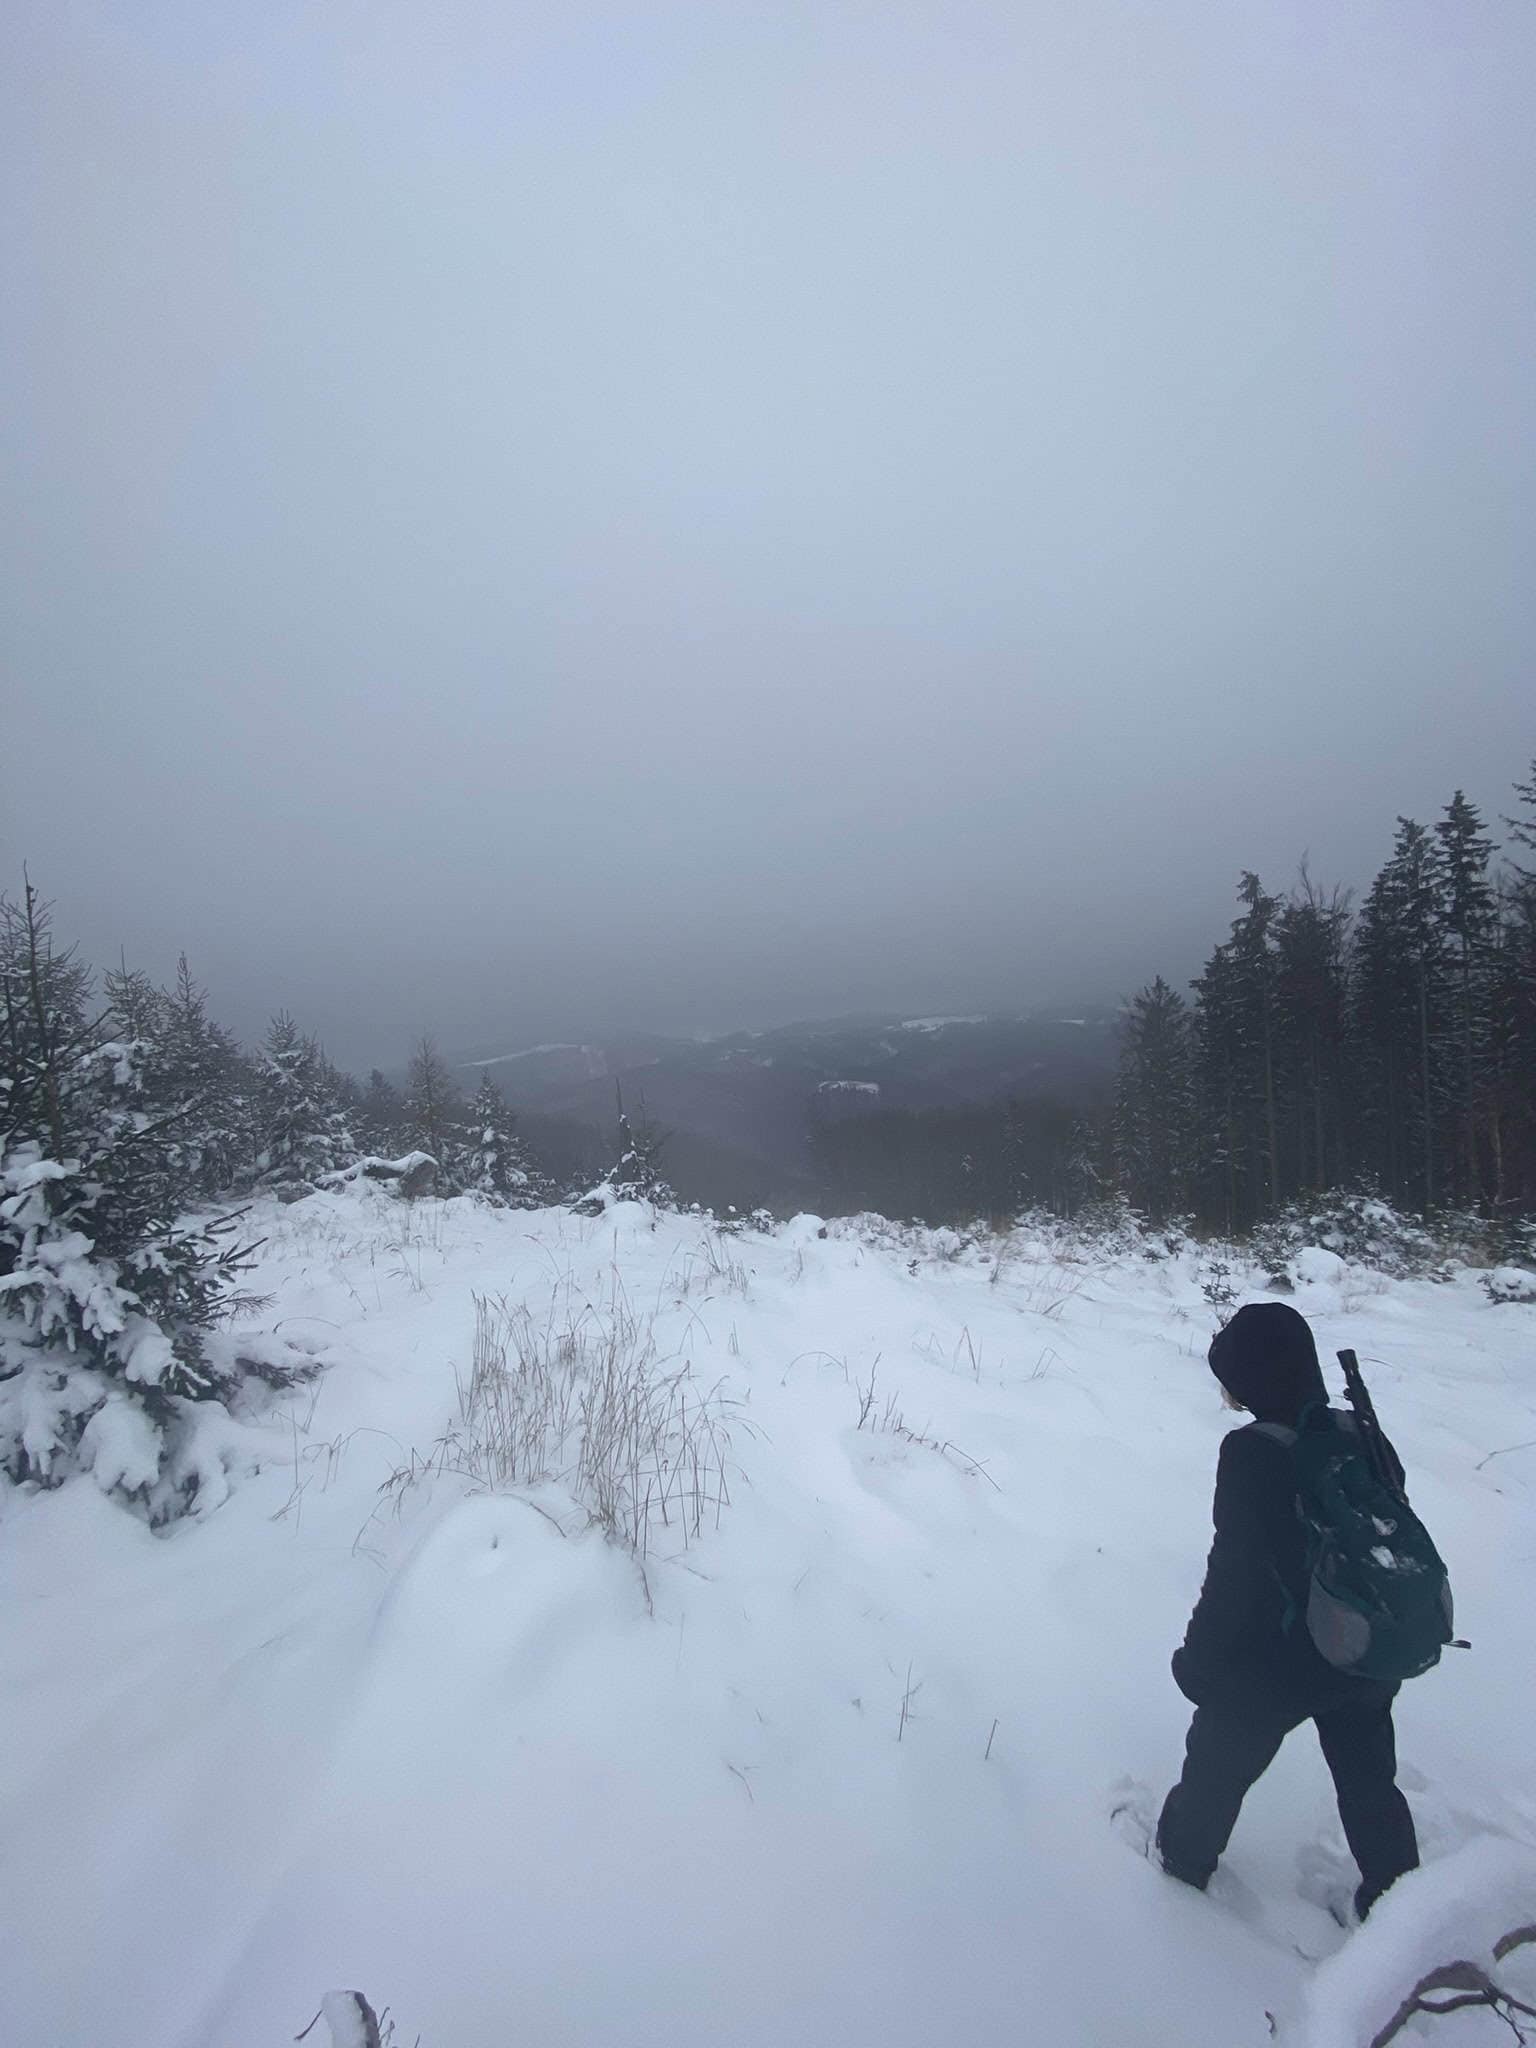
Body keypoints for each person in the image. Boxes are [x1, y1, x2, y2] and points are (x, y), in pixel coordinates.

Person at [1157, 1301, 1419, 1921]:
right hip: (1366, 1649)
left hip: (1275, 1665)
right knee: (1371, 1786)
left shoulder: (1252, 1453)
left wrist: (1200, 1662)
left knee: (1215, 1775)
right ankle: (1402, 1906)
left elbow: (1235, 1573)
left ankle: (1179, 1874)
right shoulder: (1365, 1435)